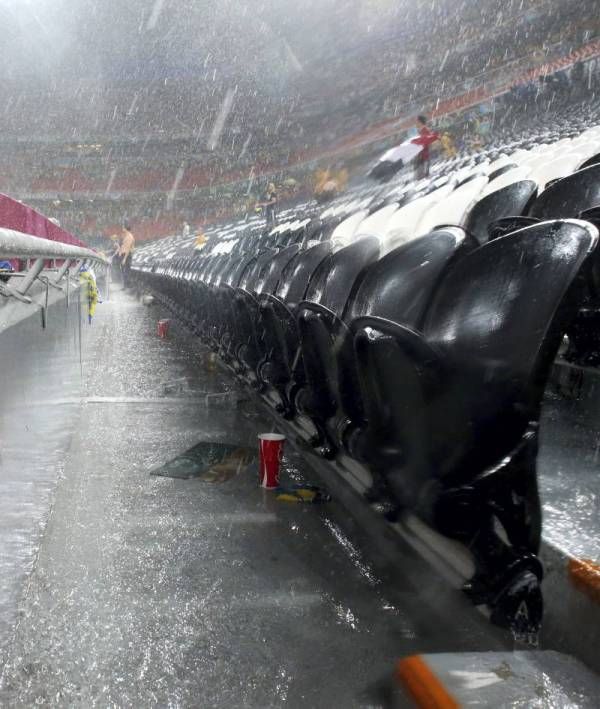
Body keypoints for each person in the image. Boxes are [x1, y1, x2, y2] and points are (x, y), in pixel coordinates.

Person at [411, 114, 439, 178]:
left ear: (420, 122)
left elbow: (428, 144)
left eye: (416, 121)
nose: (415, 123)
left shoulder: (425, 131)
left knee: (423, 177)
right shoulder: (420, 131)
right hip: (420, 157)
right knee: (419, 176)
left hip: (424, 158)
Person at [118, 223, 135, 288]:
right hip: (124, 254)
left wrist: (124, 258)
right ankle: (125, 285)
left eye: (123, 227)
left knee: (126, 271)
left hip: (126, 255)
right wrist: (120, 252)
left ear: (125, 229)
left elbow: (128, 248)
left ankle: (127, 286)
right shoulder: (126, 236)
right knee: (124, 271)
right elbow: (123, 246)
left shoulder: (129, 237)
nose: (122, 229)